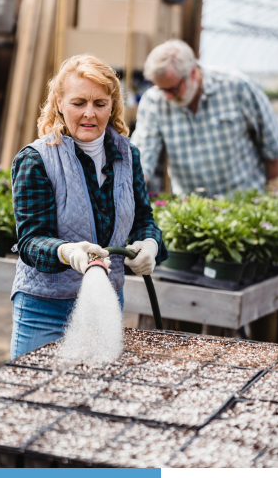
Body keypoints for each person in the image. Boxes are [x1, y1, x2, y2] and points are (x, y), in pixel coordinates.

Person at [10, 54, 166, 359]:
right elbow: (30, 240)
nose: (89, 114)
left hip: (105, 304)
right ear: (59, 103)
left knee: (91, 398)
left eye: (100, 103)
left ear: (113, 104)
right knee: (37, 400)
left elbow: (143, 218)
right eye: (78, 103)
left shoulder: (128, 156)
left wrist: (150, 244)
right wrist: (67, 253)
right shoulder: (36, 159)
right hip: (45, 309)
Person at [131, 39, 278, 197]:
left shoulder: (237, 87)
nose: (168, 97)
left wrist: (270, 200)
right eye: (162, 89)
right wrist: (132, 184)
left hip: (244, 203)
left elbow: (273, 150)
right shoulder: (154, 101)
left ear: (193, 73)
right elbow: (143, 153)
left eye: (174, 89)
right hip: (193, 208)